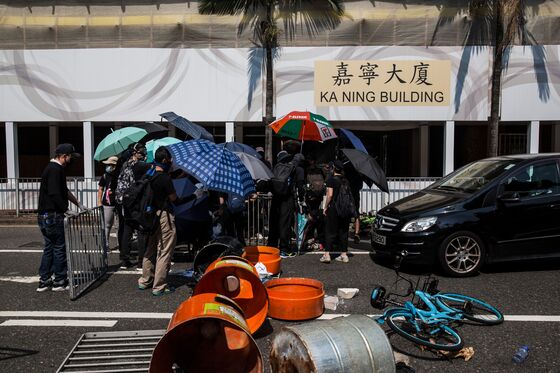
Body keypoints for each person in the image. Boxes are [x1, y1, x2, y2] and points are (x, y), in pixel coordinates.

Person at [138, 147, 201, 296]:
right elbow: (175, 200)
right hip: (164, 215)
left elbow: (169, 176)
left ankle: (145, 280)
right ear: (165, 159)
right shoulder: (164, 178)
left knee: (150, 248)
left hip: (149, 216)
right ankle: (159, 286)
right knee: (165, 250)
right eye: (170, 158)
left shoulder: (150, 172)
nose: (172, 161)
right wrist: (195, 195)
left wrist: (180, 173)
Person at [36, 143, 84, 292]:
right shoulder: (55, 170)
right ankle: (60, 281)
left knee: (49, 247)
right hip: (53, 215)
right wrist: (66, 210)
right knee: (59, 248)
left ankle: (44, 280)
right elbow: (55, 193)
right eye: (70, 157)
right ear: (64, 156)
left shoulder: (52, 169)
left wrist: (78, 203)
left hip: (45, 216)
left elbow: (64, 190)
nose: (71, 160)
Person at [115, 142, 149, 269]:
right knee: (141, 230)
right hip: (135, 201)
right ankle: (141, 261)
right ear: (135, 153)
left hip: (124, 201)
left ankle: (125, 259)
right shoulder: (140, 166)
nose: (144, 153)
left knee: (127, 229)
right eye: (142, 151)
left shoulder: (125, 164)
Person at [268, 151, 305, 256]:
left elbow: (270, 183)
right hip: (287, 199)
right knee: (285, 224)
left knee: (274, 222)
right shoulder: (296, 169)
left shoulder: (276, 167)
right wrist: (301, 199)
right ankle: (284, 249)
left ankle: (271, 247)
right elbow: (300, 187)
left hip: (276, 198)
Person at [321, 160, 351, 263]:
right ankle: (344, 255)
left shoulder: (331, 180)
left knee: (330, 231)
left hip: (334, 208)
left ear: (333, 168)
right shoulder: (345, 180)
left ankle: (327, 255)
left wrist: (325, 207)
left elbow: (330, 195)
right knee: (343, 231)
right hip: (345, 209)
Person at [97, 156, 119, 250]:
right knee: (107, 225)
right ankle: (105, 245)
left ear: (114, 166)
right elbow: (101, 189)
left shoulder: (120, 175)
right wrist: (99, 201)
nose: (107, 167)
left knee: (118, 226)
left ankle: (120, 245)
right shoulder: (105, 176)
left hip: (118, 203)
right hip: (107, 204)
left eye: (109, 165)